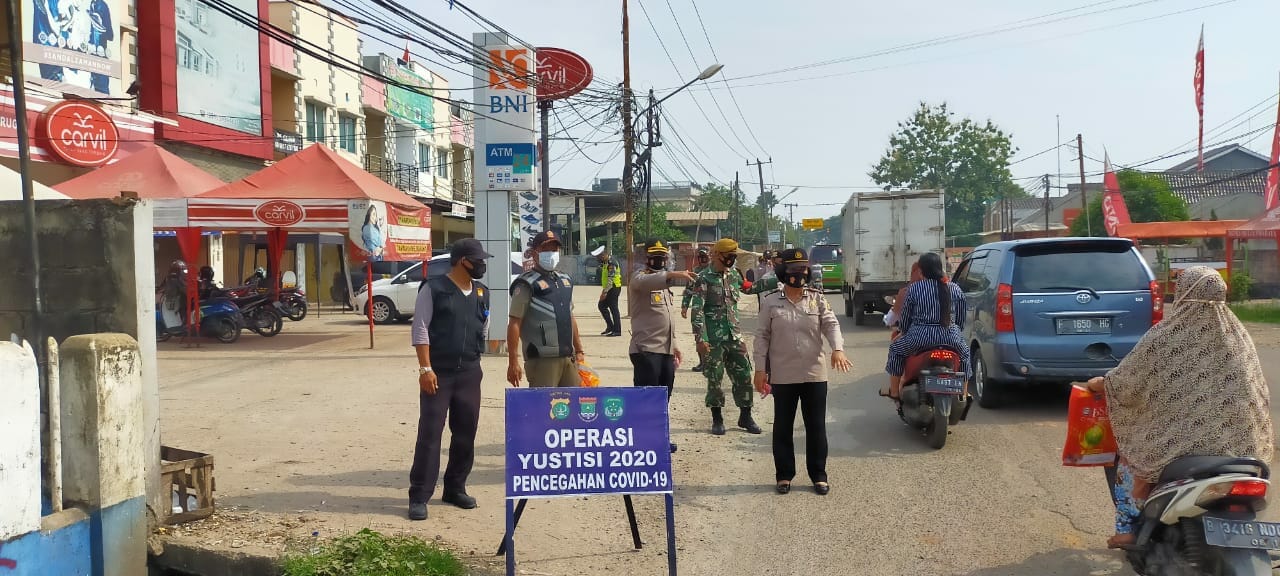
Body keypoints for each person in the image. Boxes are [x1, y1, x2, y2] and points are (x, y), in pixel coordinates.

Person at [1080, 266, 1274, 549]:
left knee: (1128, 459)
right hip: (1243, 446)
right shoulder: (1239, 336)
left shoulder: (1165, 336)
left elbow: (1127, 383)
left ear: (1184, 292)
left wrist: (1100, 384)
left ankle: (1131, 528)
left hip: (1181, 448)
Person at [407, 239, 493, 521]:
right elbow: (420, 330)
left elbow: (484, 326)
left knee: (466, 433)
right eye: (477, 260)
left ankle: (455, 487)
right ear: (461, 261)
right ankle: (419, 495)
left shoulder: (482, 292)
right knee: (430, 435)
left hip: (469, 373)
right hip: (438, 373)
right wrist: (425, 369)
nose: (482, 265)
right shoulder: (434, 289)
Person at [753, 248, 852, 495]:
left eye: (803, 268)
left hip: (814, 374)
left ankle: (819, 475)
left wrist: (837, 349)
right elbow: (762, 337)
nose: (800, 273)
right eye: (794, 269)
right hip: (783, 375)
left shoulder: (817, 299)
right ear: (782, 271)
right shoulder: (770, 302)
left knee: (816, 426)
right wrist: (760, 369)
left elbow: (831, 324)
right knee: (783, 426)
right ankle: (784, 475)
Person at [687, 237, 764, 436]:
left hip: (735, 336)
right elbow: (697, 310)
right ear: (719, 255)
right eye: (730, 256)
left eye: (734, 256)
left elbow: (749, 287)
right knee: (715, 379)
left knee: (744, 375)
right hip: (714, 339)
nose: (732, 259)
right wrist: (700, 339)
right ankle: (717, 418)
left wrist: (778, 278)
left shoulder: (733, 275)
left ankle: (745, 416)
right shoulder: (704, 278)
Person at [629, 240, 697, 453]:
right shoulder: (639, 278)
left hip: (665, 351)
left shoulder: (664, 286)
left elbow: (667, 318)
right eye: (655, 256)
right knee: (646, 401)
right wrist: (675, 274)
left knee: (662, 401)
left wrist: (675, 345)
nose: (659, 260)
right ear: (646, 258)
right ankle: (642, 442)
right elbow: (647, 282)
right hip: (646, 350)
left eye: (663, 257)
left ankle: (659, 440)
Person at [882, 252, 969, 400]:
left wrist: (903, 332)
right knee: (965, 356)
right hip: (951, 337)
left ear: (921, 271)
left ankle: (894, 392)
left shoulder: (915, 289)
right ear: (940, 269)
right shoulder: (955, 289)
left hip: (919, 338)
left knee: (895, 350)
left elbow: (906, 318)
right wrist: (955, 333)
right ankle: (964, 393)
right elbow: (960, 321)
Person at [507, 231, 586, 388]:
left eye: (554, 250)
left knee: (571, 407)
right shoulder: (526, 283)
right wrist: (513, 361)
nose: (551, 254)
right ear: (534, 253)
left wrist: (579, 350)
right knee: (543, 409)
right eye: (545, 250)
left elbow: (570, 317)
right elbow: (514, 323)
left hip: (568, 357)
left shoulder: (565, 280)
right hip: (542, 360)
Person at [682, 247, 712, 372]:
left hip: (713, 309)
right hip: (698, 309)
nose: (702, 259)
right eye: (700, 257)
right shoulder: (695, 272)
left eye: (705, 257)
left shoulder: (714, 271)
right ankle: (702, 363)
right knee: (699, 336)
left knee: (712, 337)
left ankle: (712, 363)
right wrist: (684, 306)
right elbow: (688, 290)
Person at [597, 249, 623, 337]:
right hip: (609, 288)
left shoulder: (612, 263)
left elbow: (610, 280)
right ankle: (610, 327)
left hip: (613, 288)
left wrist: (604, 293)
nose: (600, 257)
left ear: (606, 254)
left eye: (601, 255)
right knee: (602, 306)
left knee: (614, 309)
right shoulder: (605, 263)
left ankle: (617, 330)